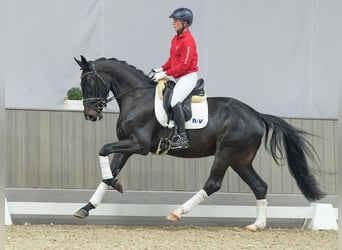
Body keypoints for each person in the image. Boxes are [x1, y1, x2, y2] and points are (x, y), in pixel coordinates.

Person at [152, 7, 199, 149]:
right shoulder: (176, 38)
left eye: (176, 21)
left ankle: (183, 138)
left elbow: (183, 66)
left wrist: (166, 74)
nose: (173, 23)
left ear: (185, 23)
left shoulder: (188, 41)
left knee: (174, 101)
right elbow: (173, 60)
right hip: (179, 77)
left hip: (188, 77)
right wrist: (162, 68)